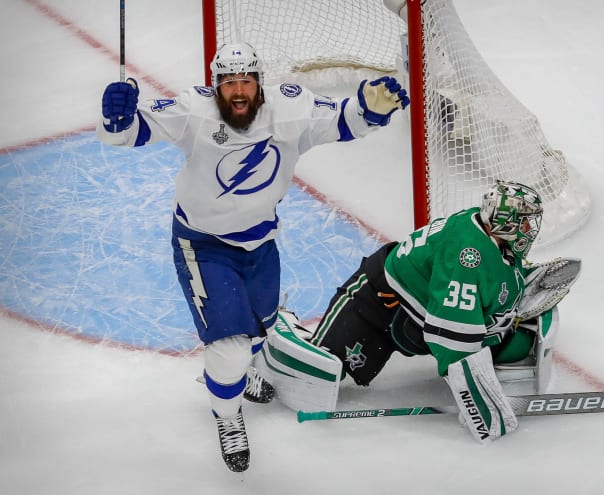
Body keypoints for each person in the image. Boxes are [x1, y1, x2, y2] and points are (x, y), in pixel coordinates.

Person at [96, 42, 410, 472]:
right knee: (229, 349)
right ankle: (228, 418)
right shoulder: (195, 111)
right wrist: (117, 115)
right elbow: (128, 131)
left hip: (260, 243)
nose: (238, 91)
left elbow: (341, 120)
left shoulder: (289, 109)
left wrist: (370, 109)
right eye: (228, 83)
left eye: (246, 81)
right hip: (202, 245)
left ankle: (240, 374)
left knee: (259, 331)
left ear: (259, 82)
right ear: (216, 85)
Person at [261, 180, 579, 443]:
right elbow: (451, 340)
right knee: (322, 368)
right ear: (505, 222)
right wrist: (480, 407)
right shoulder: (469, 255)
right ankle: (267, 356)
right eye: (524, 221)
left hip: (416, 311)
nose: (529, 229)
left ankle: (510, 310)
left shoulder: (487, 234)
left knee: (508, 346)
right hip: (376, 303)